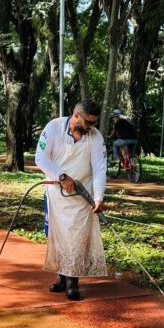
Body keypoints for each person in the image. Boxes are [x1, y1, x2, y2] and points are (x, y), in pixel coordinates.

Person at [34, 100, 108, 300]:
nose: (90, 128)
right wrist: (61, 176)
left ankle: (72, 281)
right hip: (56, 193)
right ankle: (61, 277)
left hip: (82, 195)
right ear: (76, 116)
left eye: (93, 124)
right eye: (88, 123)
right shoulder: (54, 127)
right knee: (56, 234)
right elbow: (40, 157)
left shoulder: (95, 137)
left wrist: (99, 196)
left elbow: (100, 168)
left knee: (76, 236)